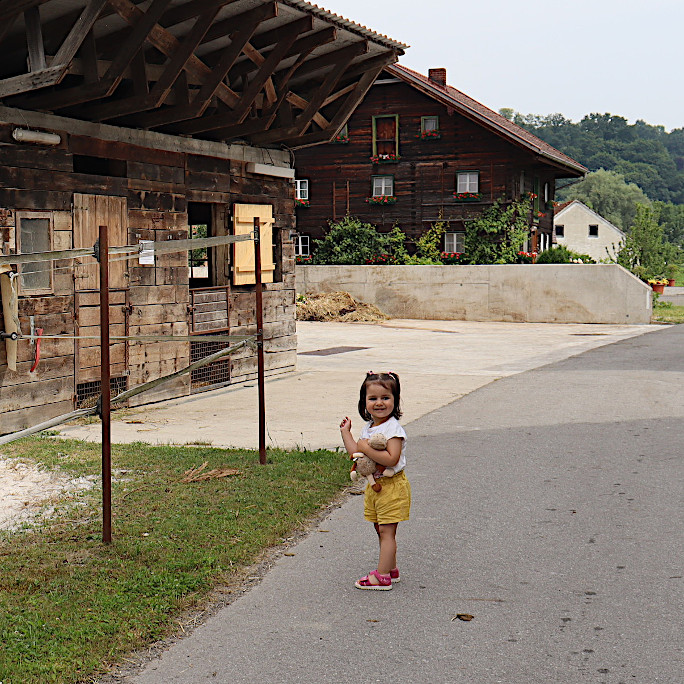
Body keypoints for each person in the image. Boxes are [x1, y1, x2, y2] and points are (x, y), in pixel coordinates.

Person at [340, 371, 411, 590]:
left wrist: (364, 446)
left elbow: (392, 458)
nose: (379, 403)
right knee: (381, 529)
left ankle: (382, 577)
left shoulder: (393, 429)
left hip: (392, 487)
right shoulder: (369, 428)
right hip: (375, 488)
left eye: (385, 398)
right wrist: (347, 434)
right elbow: (357, 455)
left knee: (388, 531)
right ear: (364, 402)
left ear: (395, 400)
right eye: (373, 398)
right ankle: (390, 568)